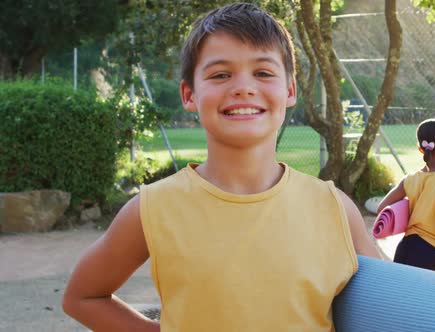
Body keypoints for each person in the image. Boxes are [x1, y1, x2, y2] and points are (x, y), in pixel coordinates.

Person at [62, 3, 381, 331]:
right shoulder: (153, 207)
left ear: (290, 90)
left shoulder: (334, 208)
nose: (243, 87)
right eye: (220, 75)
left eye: (263, 73)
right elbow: (82, 296)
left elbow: (395, 306)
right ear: (189, 94)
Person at [377, 119, 435, 277]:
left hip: (404, 249)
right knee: (433, 302)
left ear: (420, 148)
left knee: (402, 300)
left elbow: (381, 208)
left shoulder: (409, 179)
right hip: (430, 255)